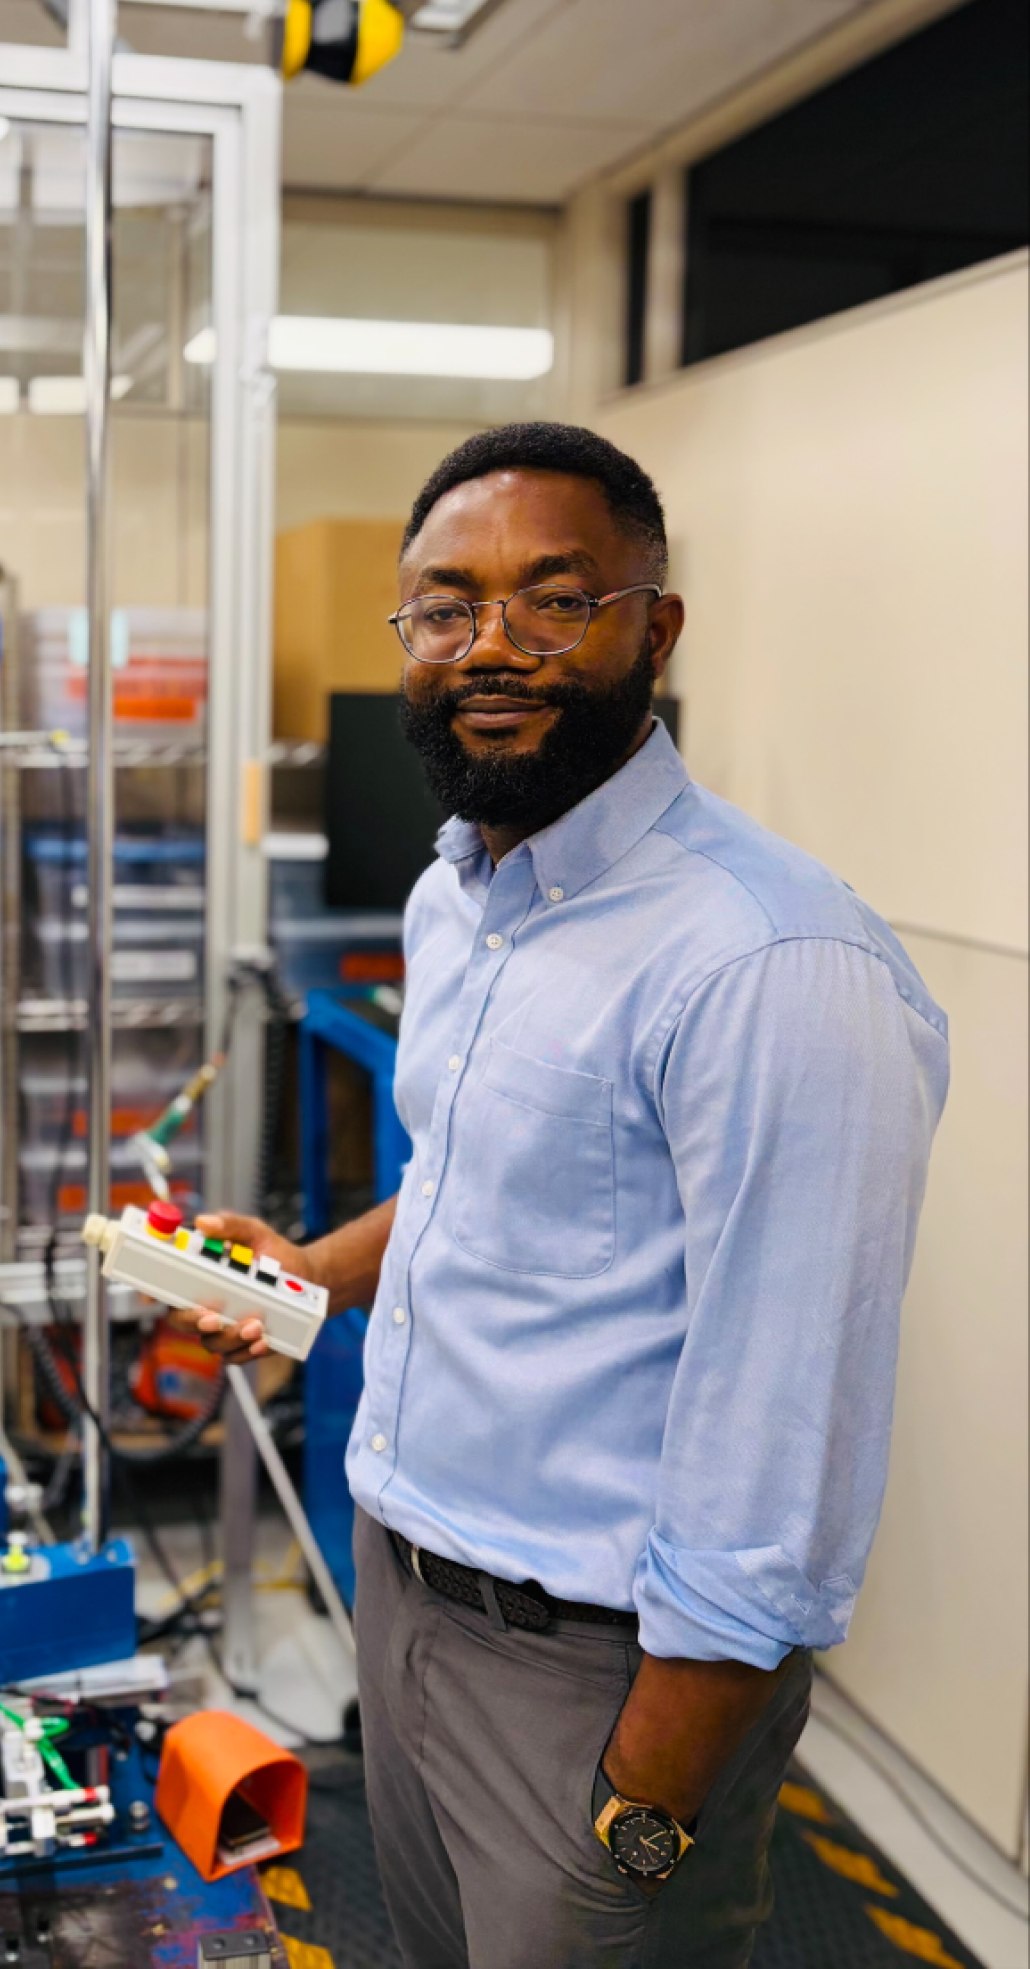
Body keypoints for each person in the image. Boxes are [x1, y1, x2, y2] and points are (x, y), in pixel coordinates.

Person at [190, 421, 949, 1969]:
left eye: (556, 598)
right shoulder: (460, 891)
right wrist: (312, 1272)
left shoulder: (766, 959)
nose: (494, 645)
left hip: (598, 1682)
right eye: (447, 605)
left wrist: (645, 1810)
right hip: (404, 1600)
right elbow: (488, 1191)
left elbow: (784, 1459)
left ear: (652, 629)